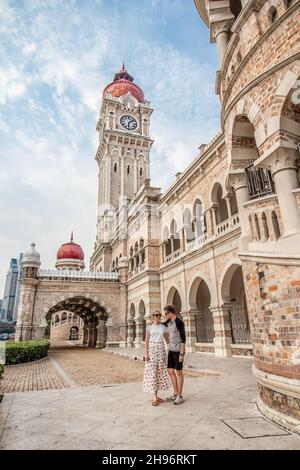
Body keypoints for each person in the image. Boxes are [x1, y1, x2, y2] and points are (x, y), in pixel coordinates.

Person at [142, 311, 171, 406]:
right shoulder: (149, 327)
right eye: (156, 315)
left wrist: (171, 351)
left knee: (159, 372)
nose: (158, 316)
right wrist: (146, 354)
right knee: (152, 372)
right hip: (152, 350)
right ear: (153, 317)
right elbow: (146, 341)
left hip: (161, 350)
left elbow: (167, 340)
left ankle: (156, 395)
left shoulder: (163, 327)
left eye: (159, 315)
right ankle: (154, 397)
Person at [163, 304, 186, 405]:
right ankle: (175, 393)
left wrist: (182, 354)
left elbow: (183, 339)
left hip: (178, 351)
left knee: (179, 372)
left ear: (170, 313)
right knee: (170, 370)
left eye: (165, 314)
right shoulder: (168, 322)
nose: (165, 316)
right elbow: (159, 325)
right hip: (171, 350)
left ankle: (180, 396)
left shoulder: (179, 322)